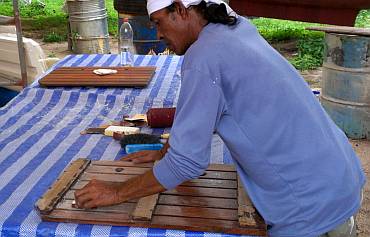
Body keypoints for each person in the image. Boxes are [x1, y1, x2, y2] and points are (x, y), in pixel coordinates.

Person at [75, 1, 366, 236]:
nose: (159, 34)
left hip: (311, 210)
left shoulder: (204, 55)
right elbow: (206, 112)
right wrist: (165, 152)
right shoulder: (237, 28)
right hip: (339, 179)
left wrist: (115, 192)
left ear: (181, 10)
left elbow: (187, 163)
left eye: (158, 22)